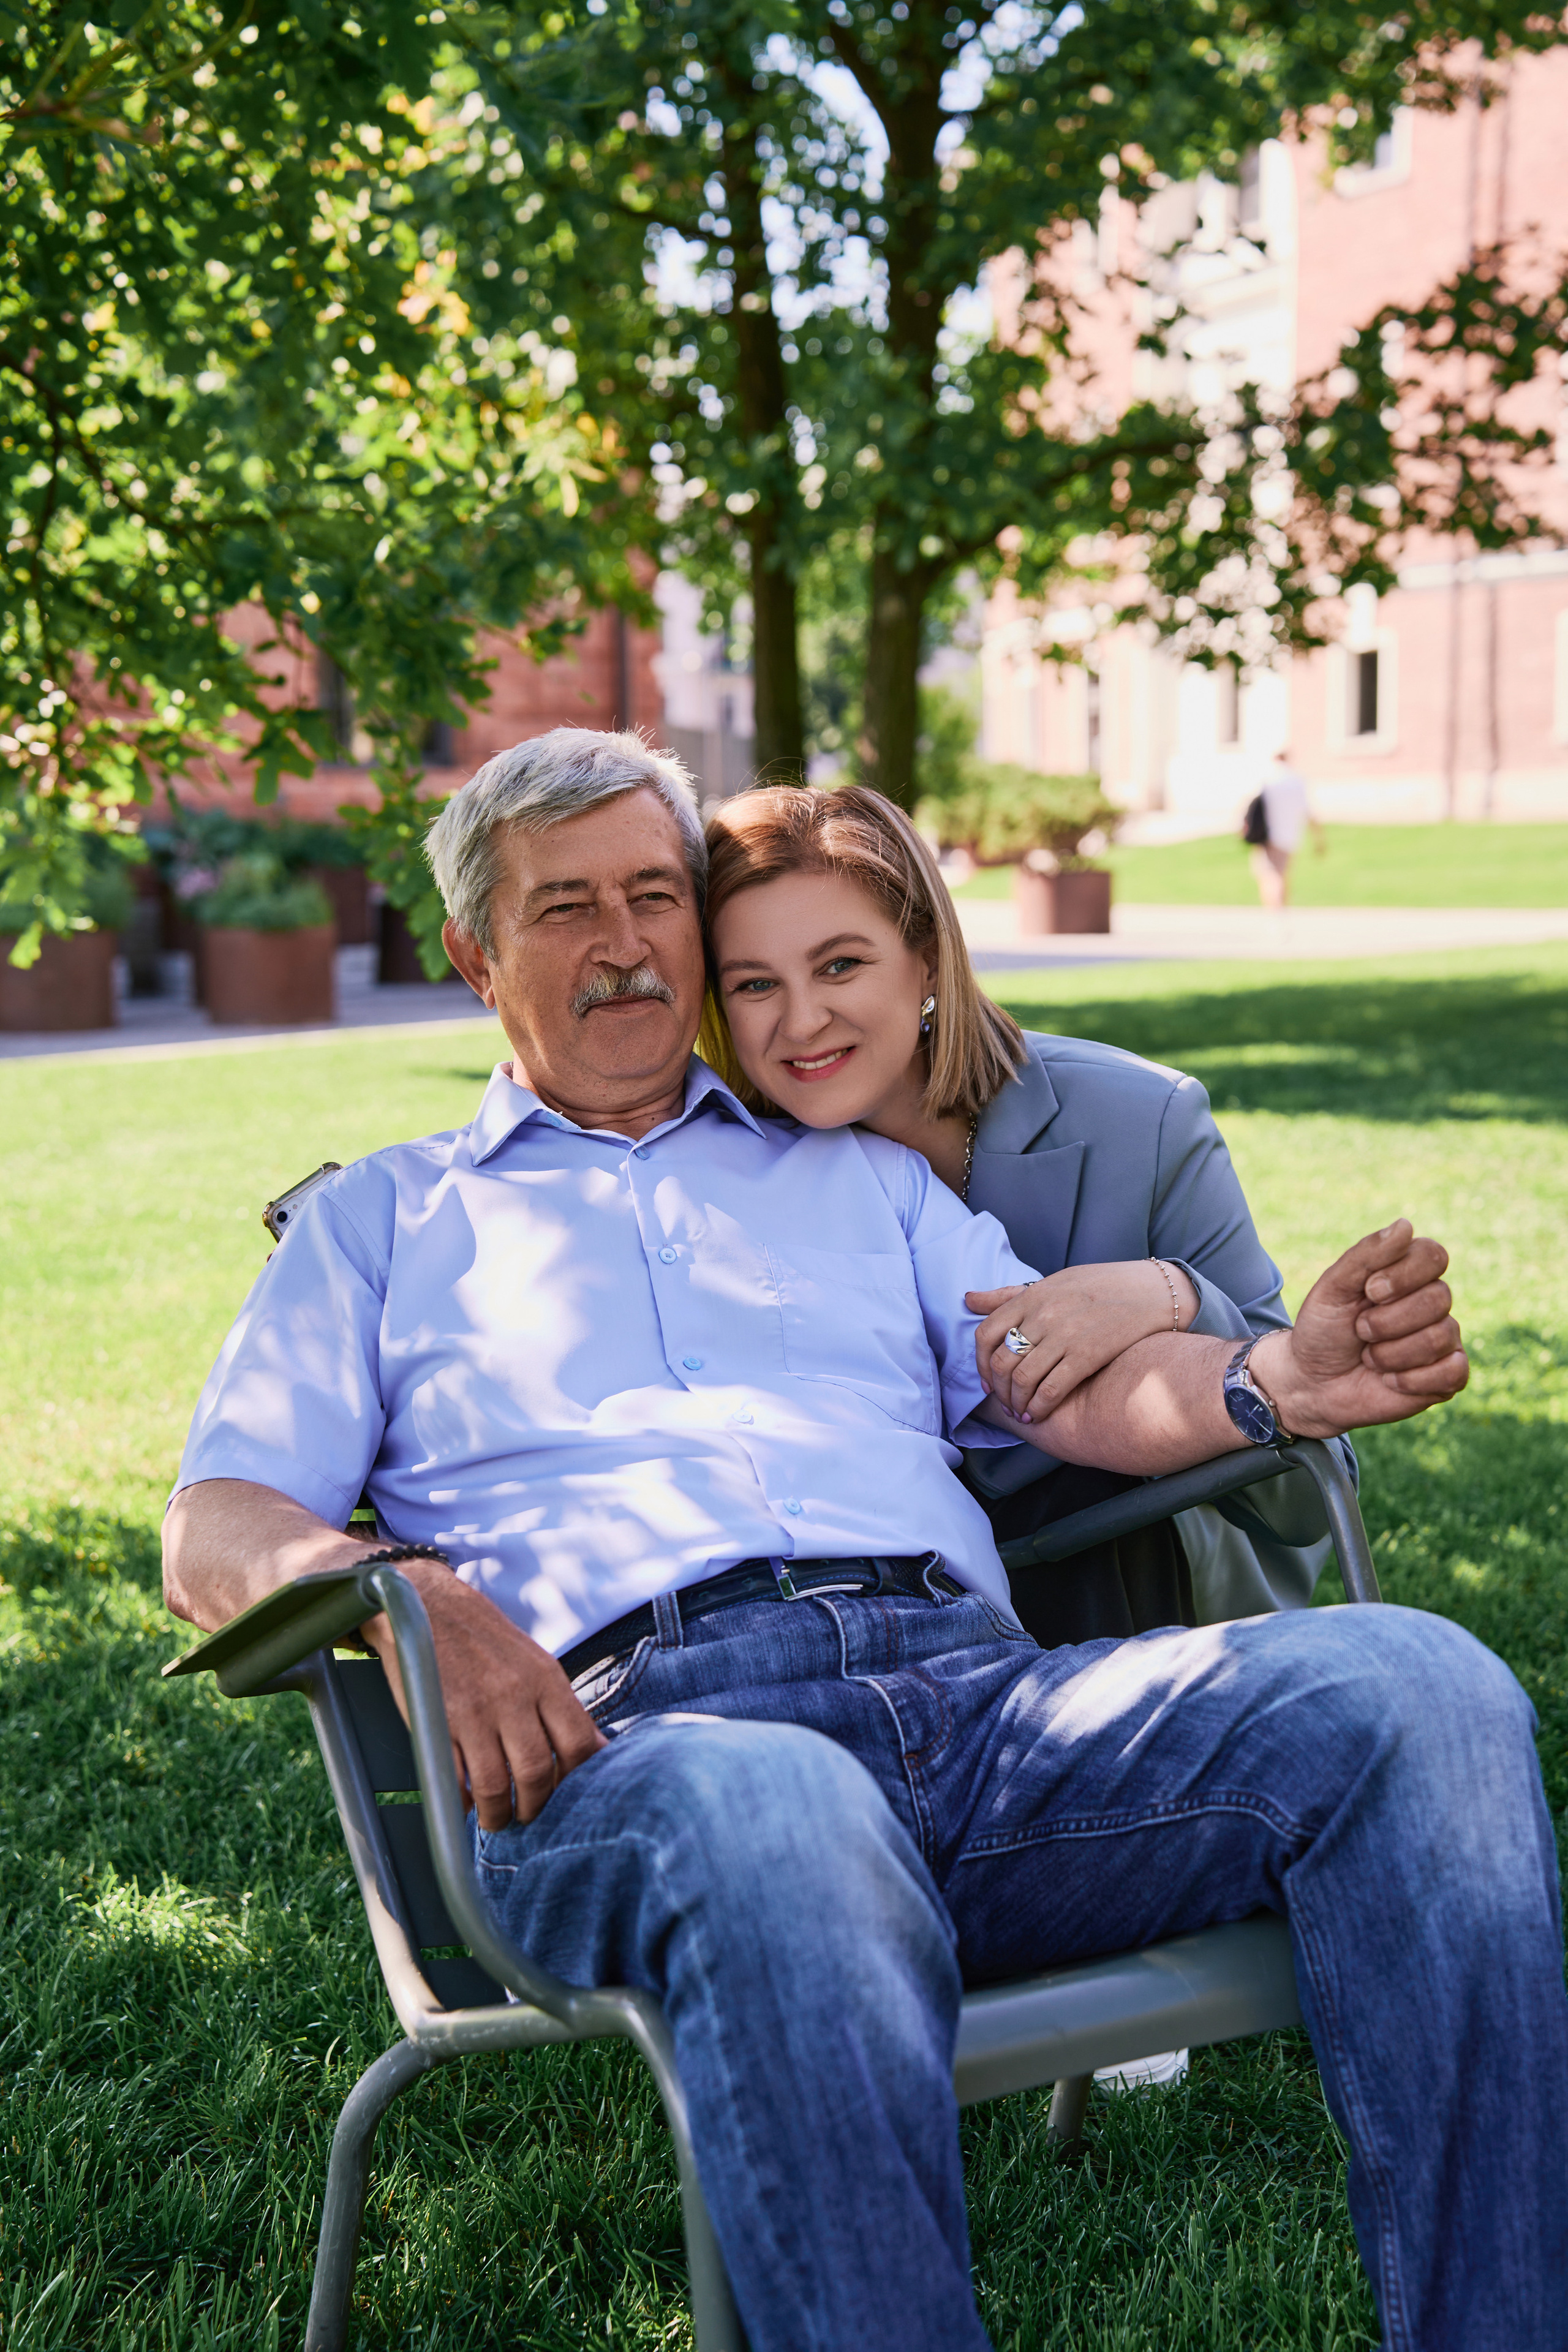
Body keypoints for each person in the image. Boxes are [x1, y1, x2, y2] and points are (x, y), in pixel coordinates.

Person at [162, 728, 1567, 2352]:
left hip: (984, 1721)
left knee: (1424, 1688)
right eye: (564, 910)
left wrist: (1275, 1378)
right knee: (778, 1803)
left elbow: (1074, 1393)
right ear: (474, 952)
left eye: (650, 897)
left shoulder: (858, 1183)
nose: (622, 945)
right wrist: (399, 1586)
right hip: (641, 1753)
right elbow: (217, 1524)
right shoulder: (382, 1223)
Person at [702, 780, 1341, 1638]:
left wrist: (1170, 1295)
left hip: (1126, 1562)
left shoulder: (1142, 1121)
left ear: (926, 956)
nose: (802, 1020)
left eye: (840, 964)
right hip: (868, 1592)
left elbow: (1305, 1485)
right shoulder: (722, 1171)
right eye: (754, 984)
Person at [1248, 747, 1322, 910]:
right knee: (1282, 874)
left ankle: (1275, 911)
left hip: (1268, 835)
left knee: (1269, 875)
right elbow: (1308, 811)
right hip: (1290, 836)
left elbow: (1252, 807)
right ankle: (1282, 909)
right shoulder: (1297, 780)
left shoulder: (1268, 779)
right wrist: (1319, 839)